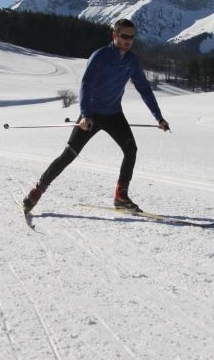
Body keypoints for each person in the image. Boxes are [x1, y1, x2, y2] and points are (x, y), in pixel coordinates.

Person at [23, 18, 170, 214]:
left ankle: (121, 197)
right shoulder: (100, 56)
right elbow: (86, 85)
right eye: (125, 36)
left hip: (114, 114)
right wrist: (85, 115)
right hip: (92, 115)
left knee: (131, 149)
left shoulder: (132, 61)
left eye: (132, 37)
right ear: (115, 35)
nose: (129, 41)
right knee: (69, 155)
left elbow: (144, 89)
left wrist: (158, 117)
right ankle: (37, 191)